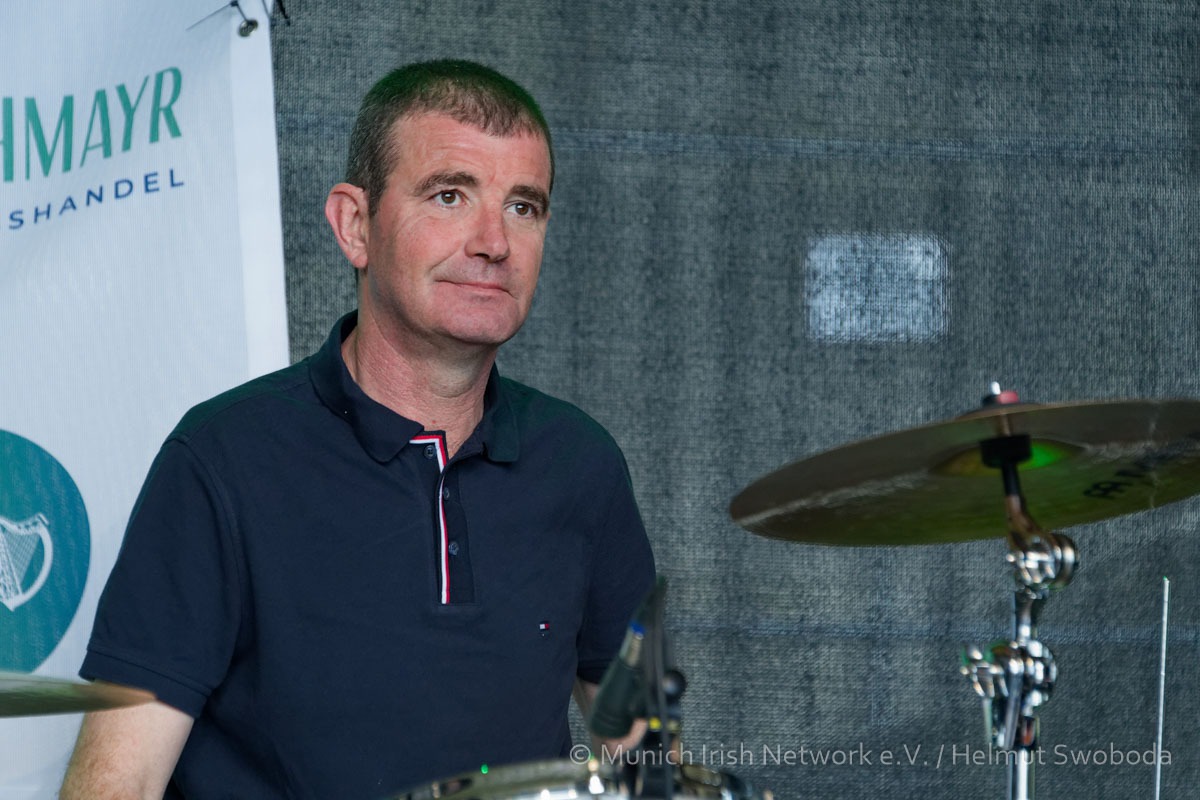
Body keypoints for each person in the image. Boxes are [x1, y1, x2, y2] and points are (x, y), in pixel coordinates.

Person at [61, 60, 655, 800]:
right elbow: (113, 787)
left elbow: (643, 759)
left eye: (523, 207)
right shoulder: (222, 461)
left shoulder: (581, 465)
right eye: (449, 196)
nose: (494, 242)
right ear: (354, 226)